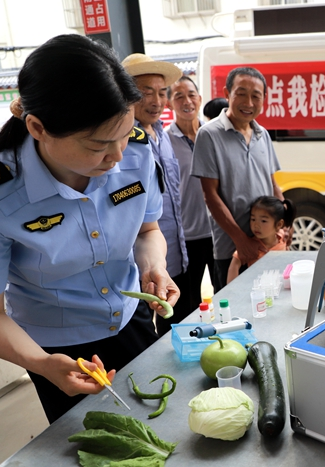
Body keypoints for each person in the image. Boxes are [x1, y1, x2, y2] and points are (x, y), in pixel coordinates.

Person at [0, 35, 179, 424]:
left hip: (131, 319)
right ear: (37, 127)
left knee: (160, 424)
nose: (117, 160)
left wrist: (154, 266)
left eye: (123, 136)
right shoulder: (4, 190)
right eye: (99, 146)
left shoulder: (135, 150)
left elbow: (148, 231)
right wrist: (42, 363)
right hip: (55, 347)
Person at [192, 67, 284, 293]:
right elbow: (210, 195)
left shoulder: (262, 134)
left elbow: (273, 185)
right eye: (241, 93)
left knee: (270, 308)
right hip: (232, 250)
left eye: (256, 96)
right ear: (227, 93)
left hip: (267, 246)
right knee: (235, 313)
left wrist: (284, 222)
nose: (249, 102)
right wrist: (241, 240)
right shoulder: (209, 135)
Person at [121, 53, 192, 336]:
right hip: (142, 260)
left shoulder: (163, 133)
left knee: (182, 320)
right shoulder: (123, 140)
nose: (157, 101)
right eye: (145, 93)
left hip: (175, 248)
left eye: (162, 93)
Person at [166, 76, 214, 309]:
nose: (187, 101)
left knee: (227, 292)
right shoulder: (165, 140)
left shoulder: (213, 134)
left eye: (191, 95)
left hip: (219, 231)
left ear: (200, 98)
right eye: (179, 96)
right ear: (169, 104)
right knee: (188, 303)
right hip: (187, 237)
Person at [227, 196, 296, 283]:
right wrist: (231, 290)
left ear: (279, 224)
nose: (256, 225)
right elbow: (235, 264)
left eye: (263, 221)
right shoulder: (251, 247)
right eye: (253, 219)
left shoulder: (282, 237)